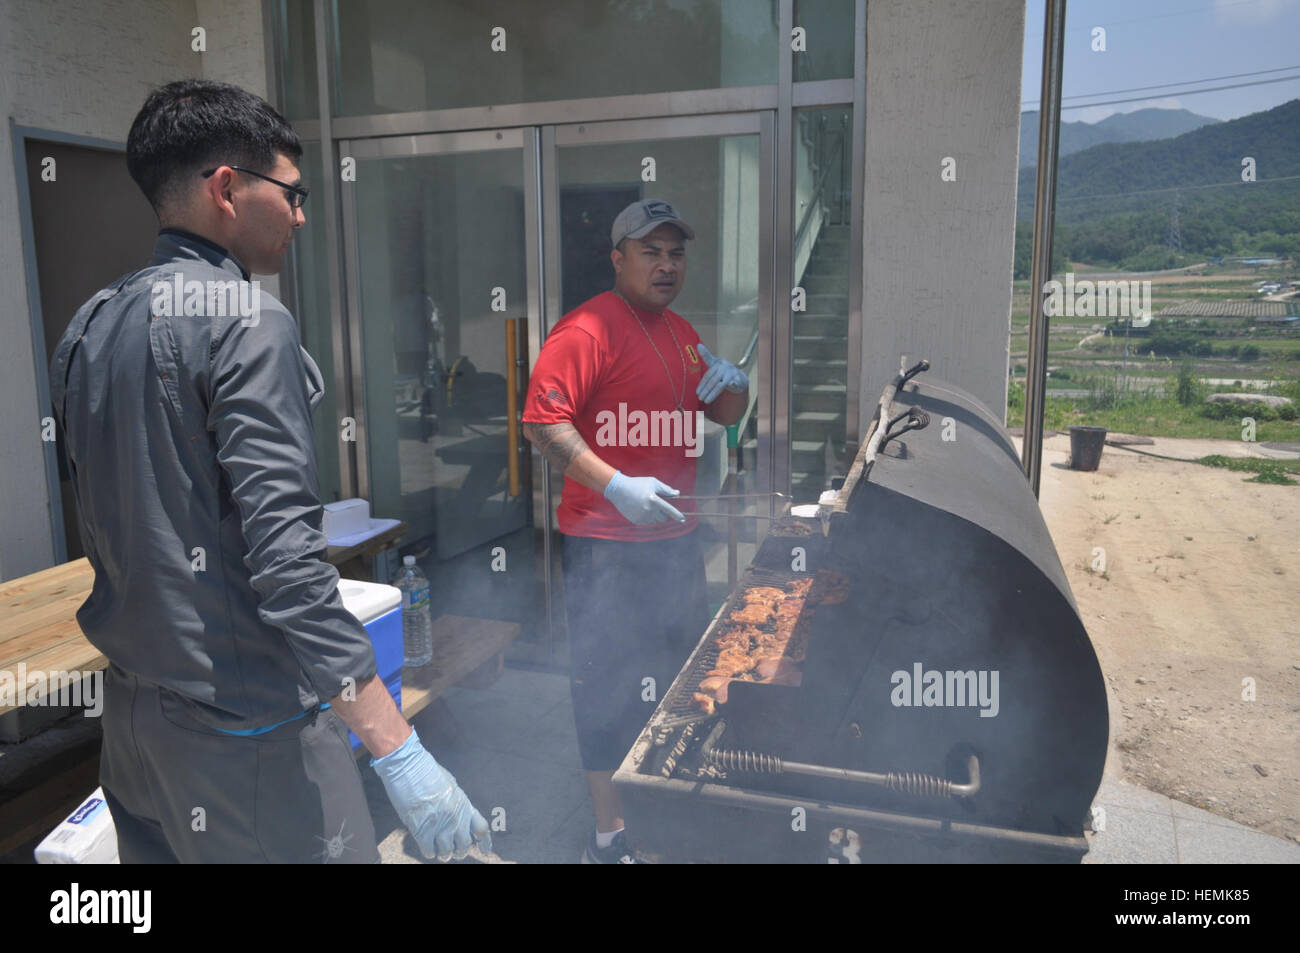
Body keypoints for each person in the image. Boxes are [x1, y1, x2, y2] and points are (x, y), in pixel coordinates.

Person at [48, 79, 491, 863]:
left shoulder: (90, 323)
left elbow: (109, 519)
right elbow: (288, 565)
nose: (301, 215)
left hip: (133, 732)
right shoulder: (249, 322)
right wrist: (398, 749)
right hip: (247, 738)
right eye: (292, 192)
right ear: (227, 187)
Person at [522, 199, 749, 863]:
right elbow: (542, 422)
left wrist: (735, 384)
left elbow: (724, 407)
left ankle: (660, 806)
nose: (666, 264)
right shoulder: (588, 329)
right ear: (618, 257)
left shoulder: (681, 331)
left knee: (678, 681)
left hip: (675, 544)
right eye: (650, 251)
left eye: (676, 252)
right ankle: (609, 836)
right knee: (606, 690)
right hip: (606, 550)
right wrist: (616, 483)